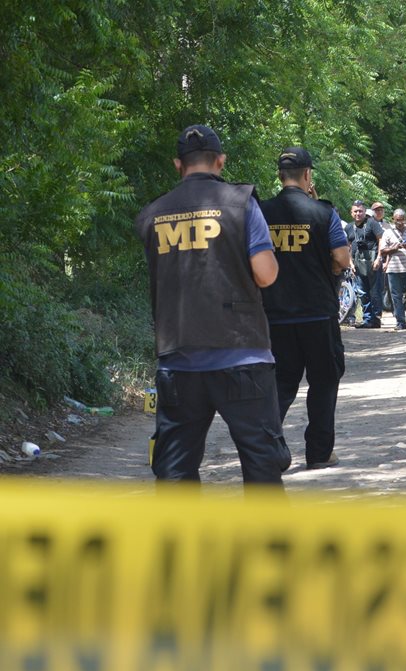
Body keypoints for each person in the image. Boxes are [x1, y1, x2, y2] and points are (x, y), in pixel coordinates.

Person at [133, 124, 290, 485]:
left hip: (178, 360)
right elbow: (265, 274)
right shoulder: (241, 205)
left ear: (178, 165)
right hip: (242, 356)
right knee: (262, 463)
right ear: (221, 161)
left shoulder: (153, 215)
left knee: (174, 469)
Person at [258, 146, 350, 471]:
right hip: (318, 312)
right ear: (308, 175)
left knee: (281, 384)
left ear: (280, 176)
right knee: (324, 381)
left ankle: (267, 453)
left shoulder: (261, 211)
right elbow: (342, 258)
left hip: (275, 314)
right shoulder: (324, 212)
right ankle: (320, 453)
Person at [345, 199, 385, 328]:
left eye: (360, 211)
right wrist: (350, 263)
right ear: (351, 213)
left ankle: (376, 319)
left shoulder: (372, 223)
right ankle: (367, 319)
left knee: (375, 292)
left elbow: (381, 240)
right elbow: (348, 246)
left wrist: (379, 258)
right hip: (357, 262)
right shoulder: (349, 227)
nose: (358, 214)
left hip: (373, 261)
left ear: (364, 212)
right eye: (355, 211)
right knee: (362, 292)